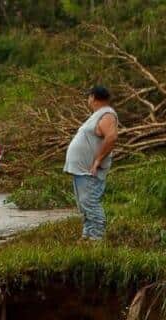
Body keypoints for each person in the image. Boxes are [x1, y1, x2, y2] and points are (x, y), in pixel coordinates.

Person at [64, 85, 119, 241]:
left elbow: (111, 137)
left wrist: (98, 160)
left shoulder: (107, 115)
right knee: (84, 204)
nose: (88, 99)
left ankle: (96, 238)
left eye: (89, 97)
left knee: (90, 202)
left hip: (90, 170)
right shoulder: (98, 114)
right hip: (81, 170)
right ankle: (87, 235)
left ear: (93, 97)